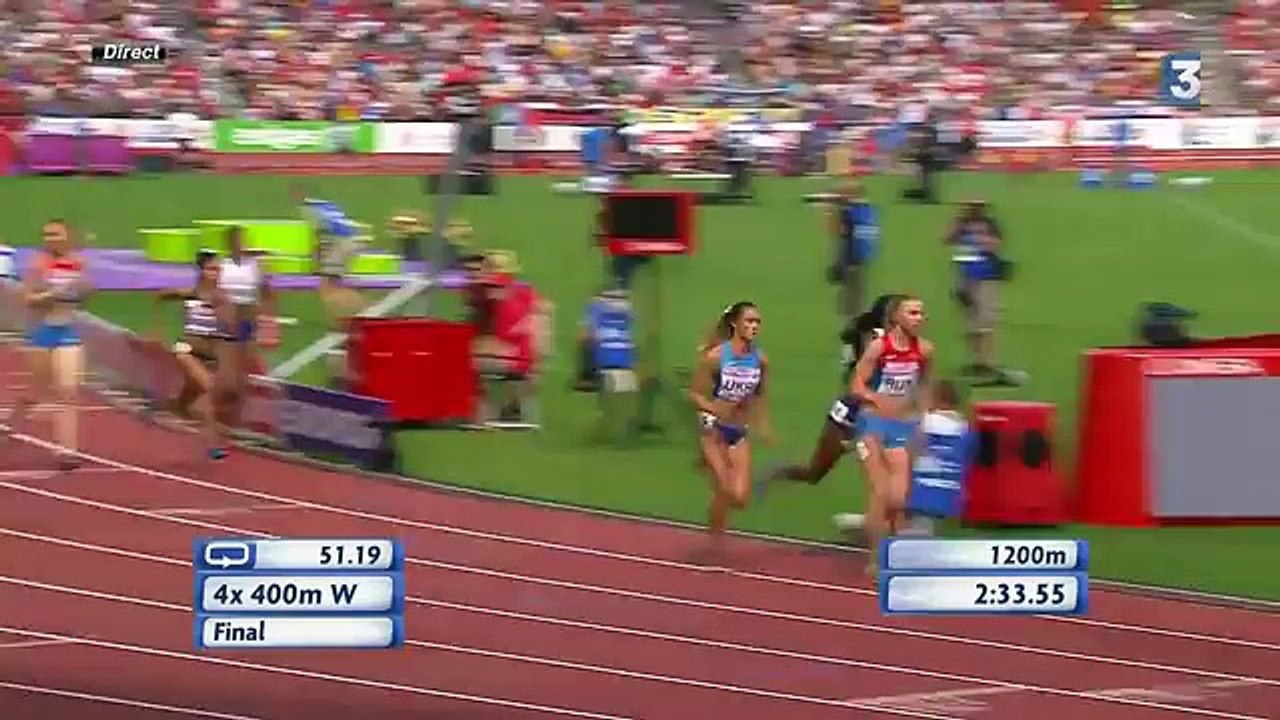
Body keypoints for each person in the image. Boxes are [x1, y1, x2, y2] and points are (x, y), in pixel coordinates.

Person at [768, 293, 902, 488]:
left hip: (878, 411)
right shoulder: (876, 338)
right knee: (815, 472)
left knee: (890, 468)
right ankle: (776, 471)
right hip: (851, 411)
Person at [848, 294, 934, 578]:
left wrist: (922, 419)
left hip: (901, 427)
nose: (919, 318)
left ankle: (890, 548)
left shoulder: (924, 350)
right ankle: (875, 559)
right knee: (881, 493)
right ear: (896, 317)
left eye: (921, 313)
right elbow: (856, 384)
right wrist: (874, 398)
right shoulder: (878, 348)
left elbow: (924, 386)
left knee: (898, 498)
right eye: (912, 313)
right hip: (872, 425)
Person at [688, 301, 774, 555]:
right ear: (735, 323)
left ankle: (708, 467)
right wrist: (714, 409)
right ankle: (714, 542)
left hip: (738, 431)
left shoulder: (761, 361)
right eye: (749, 321)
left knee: (740, 497)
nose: (754, 326)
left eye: (757, 322)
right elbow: (694, 394)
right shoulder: (716, 358)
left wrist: (763, 425)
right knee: (725, 487)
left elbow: (759, 395)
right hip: (713, 429)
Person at [7, 220, 93, 468]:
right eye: (47, 234)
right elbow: (28, 300)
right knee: (34, 392)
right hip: (42, 332)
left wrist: (82, 288)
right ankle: (11, 425)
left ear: (67, 235)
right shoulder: (38, 263)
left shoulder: (79, 263)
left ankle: (66, 450)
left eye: (56, 233)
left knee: (68, 391)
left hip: (68, 331)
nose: (51, 238)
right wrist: (51, 294)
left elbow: (87, 294)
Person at [154, 250, 228, 458]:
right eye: (212, 269)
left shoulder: (223, 298)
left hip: (209, 356)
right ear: (202, 271)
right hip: (186, 351)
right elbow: (159, 297)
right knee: (209, 388)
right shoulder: (190, 293)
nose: (217, 273)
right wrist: (157, 330)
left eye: (219, 269)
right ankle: (213, 446)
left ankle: (166, 407)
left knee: (187, 400)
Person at [946, 200, 1022, 386]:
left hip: (987, 278)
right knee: (970, 325)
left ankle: (989, 363)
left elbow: (994, 245)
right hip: (966, 279)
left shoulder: (989, 225)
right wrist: (958, 223)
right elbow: (945, 239)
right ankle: (977, 362)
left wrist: (980, 238)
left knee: (986, 323)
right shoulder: (961, 226)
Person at [214, 226, 275, 448]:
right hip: (226, 323)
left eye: (242, 240)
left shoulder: (254, 266)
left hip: (247, 320)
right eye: (236, 241)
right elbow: (213, 292)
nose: (240, 244)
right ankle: (220, 413)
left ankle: (235, 420)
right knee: (227, 373)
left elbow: (267, 292)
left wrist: (268, 318)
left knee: (243, 374)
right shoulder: (222, 266)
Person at [292, 185, 365, 330]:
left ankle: (346, 319)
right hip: (350, 241)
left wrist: (315, 266)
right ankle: (346, 318)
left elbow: (319, 240)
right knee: (331, 285)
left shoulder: (309, 211)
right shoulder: (320, 204)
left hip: (341, 243)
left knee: (326, 287)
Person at [827, 181, 880, 325]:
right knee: (856, 298)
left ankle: (855, 333)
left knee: (851, 301)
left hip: (851, 260)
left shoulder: (850, 213)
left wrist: (831, 210)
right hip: (860, 259)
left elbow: (836, 231)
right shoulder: (865, 211)